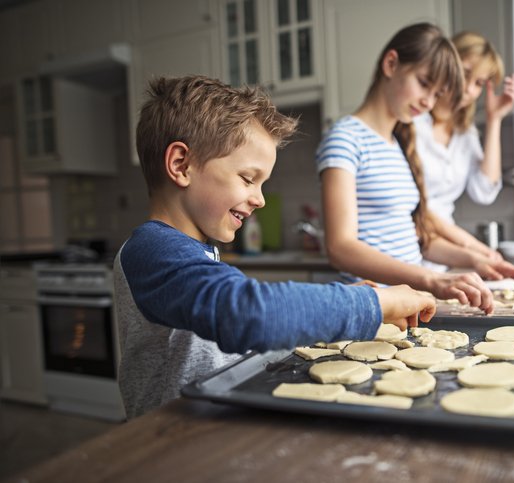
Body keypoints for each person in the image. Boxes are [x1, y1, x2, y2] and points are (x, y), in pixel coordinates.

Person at [114, 75, 436, 418]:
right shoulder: (153, 250)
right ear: (181, 165)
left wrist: (338, 301)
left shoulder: (194, 247)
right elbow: (245, 314)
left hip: (217, 430)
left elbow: (239, 338)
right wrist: (372, 302)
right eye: (248, 178)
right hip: (171, 445)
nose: (260, 200)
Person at [316, 23, 500, 311]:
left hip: (407, 306)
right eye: (425, 83)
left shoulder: (397, 145)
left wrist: (473, 260)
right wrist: (431, 279)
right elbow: (341, 248)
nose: (428, 101)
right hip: (372, 307)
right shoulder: (345, 138)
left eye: (437, 94)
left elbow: (418, 241)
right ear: (391, 64)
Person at [413, 31, 514, 272]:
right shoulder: (411, 123)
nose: (468, 89)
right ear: (445, 63)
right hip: (409, 249)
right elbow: (415, 208)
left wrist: (494, 120)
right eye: (465, 72)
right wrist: (473, 249)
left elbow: (484, 192)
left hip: (442, 258)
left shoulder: (465, 132)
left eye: (479, 83)